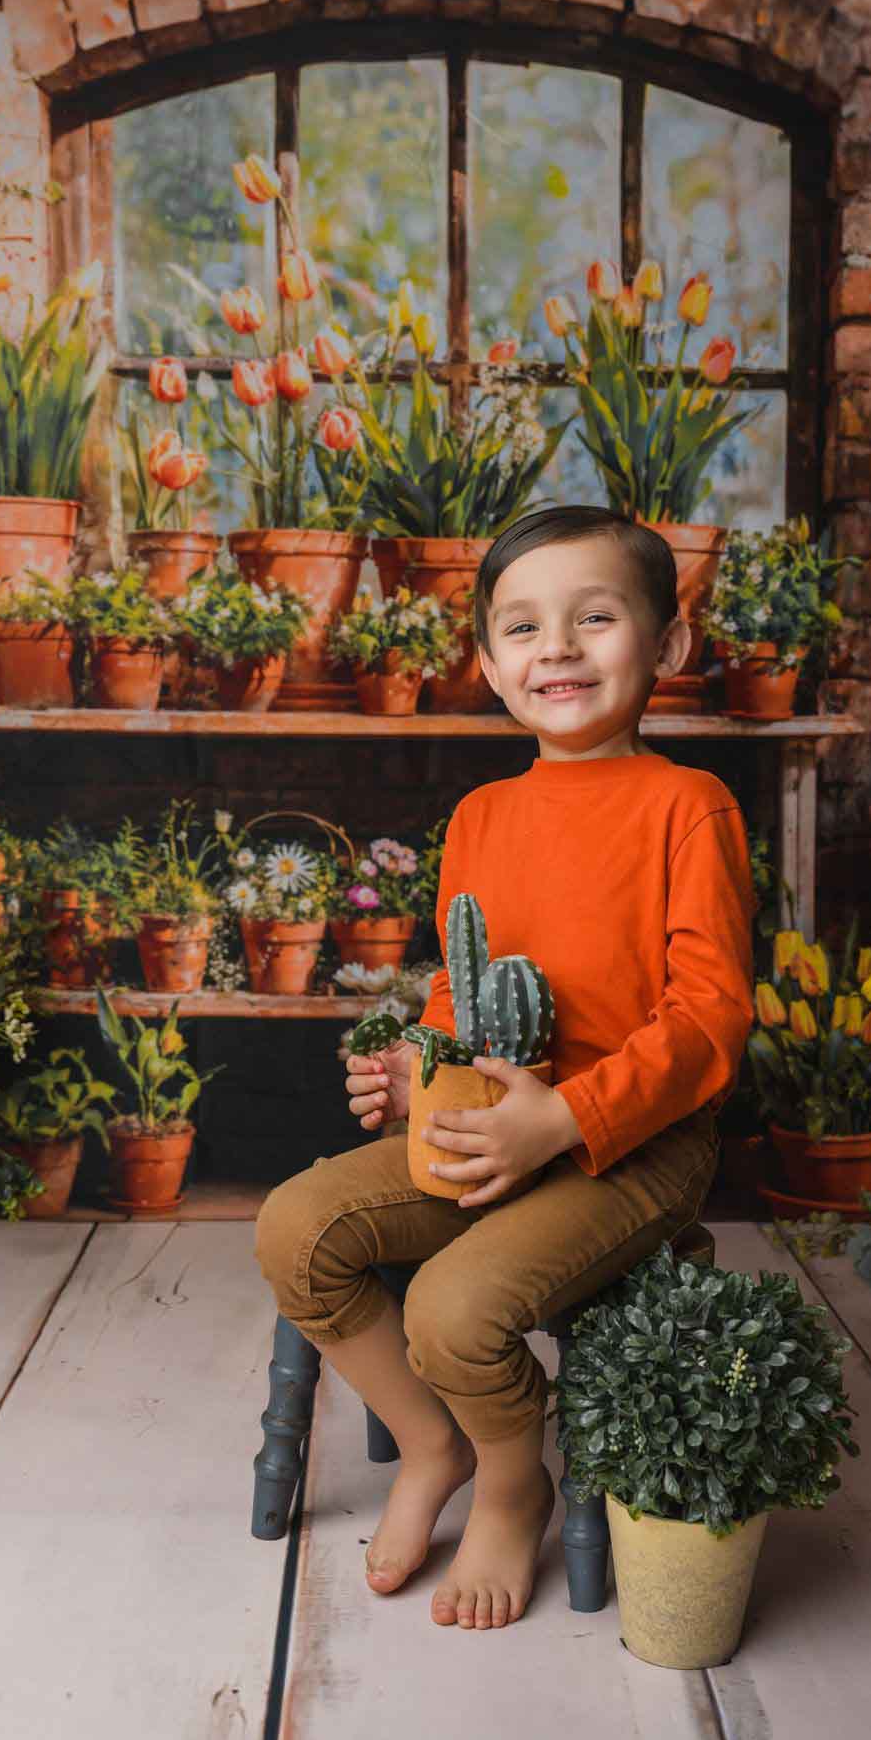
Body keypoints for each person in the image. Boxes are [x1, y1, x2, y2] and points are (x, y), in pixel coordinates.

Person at [253, 506, 755, 1632]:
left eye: (594, 617)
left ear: (667, 647)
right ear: (487, 663)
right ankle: (435, 1439)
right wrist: (408, 1071)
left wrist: (566, 1117)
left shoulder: (687, 806)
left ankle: (513, 1475)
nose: (558, 648)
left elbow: (713, 1016)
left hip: (632, 1147)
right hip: (483, 1121)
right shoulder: (482, 815)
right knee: (296, 1226)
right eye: (523, 627)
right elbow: (457, 990)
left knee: (457, 1307)